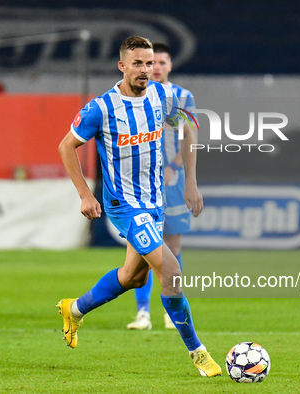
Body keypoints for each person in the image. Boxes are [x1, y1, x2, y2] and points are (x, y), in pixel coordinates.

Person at [56, 36, 221, 377]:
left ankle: (75, 308)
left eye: (149, 63)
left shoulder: (161, 96)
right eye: (138, 64)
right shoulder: (101, 107)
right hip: (125, 206)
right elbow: (65, 146)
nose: (146, 70)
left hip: (155, 201)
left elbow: (189, 127)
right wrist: (85, 195)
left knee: (132, 276)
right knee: (171, 271)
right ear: (122, 66)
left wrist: (190, 181)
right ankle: (198, 351)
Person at [126, 42, 195, 331]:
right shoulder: (135, 95)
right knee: (141, 247)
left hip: (172, 182)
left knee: (173, 245)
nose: (157, 68)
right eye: (153, 63)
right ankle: (143, 313)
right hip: (141, 183)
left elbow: (189, 135)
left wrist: (175, 168)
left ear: (170, 66)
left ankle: (170, 309)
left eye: (163, 63)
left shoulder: (180, 96)